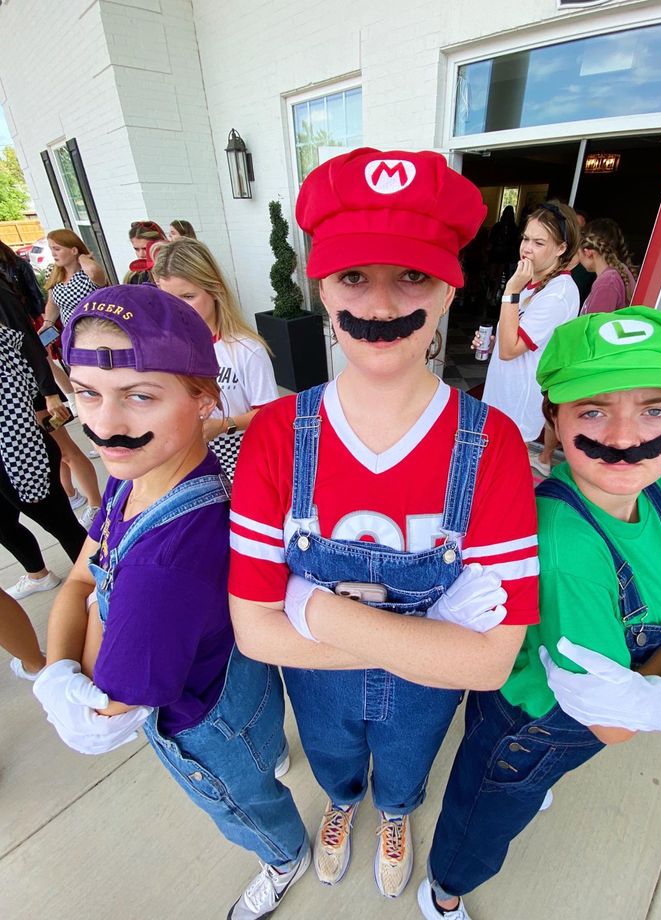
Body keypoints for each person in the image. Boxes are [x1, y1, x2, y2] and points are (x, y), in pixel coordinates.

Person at [228, 148, 540, 900]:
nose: (377, 305)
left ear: (447, 290)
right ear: (320, 286)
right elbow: (252, 633)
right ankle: (340, 805)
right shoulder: (275, 433)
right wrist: (433, 643)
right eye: (353, 276)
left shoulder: (491, 443)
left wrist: (309, 605)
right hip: (328, 688)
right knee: (334, 761)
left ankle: (394, 815)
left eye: (411, 276)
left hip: (409, 697)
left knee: (404, 772)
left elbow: (491, 664)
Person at [419, 306, 661, 920]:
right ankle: (443, 891)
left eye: (656, 408)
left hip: (564, 708)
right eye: (593, 409)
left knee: (516, 781)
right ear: (555, 420)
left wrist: (658, 694)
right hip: (533, 722)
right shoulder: (565, 542)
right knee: (485, 809)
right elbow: (616, 720)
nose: (624, 436)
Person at [33, 284, 310, 920]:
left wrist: (66, 677)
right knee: (260, 746)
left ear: (205, 397)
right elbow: (79, 581)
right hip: (237, 683)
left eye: (140, 395)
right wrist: (56, 670)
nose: (104, 424)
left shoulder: (165, 564)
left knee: (239, 800)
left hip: (200, 723)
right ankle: (269, 756)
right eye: (86, 392)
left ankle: (282, 853)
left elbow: (115, 699)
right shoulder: (141, 476)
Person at [153, 238, 278, 480]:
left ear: (215, 289)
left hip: (240, 459)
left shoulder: (245, 349)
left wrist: (223, 425)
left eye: (188, 296)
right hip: (185, 461)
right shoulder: (164, 349)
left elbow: (269, 415)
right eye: (169, 301)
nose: (179, 310)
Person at [477, 201, 580, 478]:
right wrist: (491, 340)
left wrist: (510, 290)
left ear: (561, 249)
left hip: (519, 398)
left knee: (504, 467)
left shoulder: (557, 293)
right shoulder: (531, 284)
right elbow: (510, 339)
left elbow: (511, 350)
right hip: (503, 390)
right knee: (493, 463)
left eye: (538, 242)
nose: (526, 248)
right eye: (525, 239)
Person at [0, 276, 86, 601]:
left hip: (19, 449)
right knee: (5, 523)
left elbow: (28, 349)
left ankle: (105, 589)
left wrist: (47, 396)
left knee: (61, 522)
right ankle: (37, 573)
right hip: (15, 444)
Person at [38, 229, 106, 522]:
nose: (54, 253)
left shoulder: (86, 272)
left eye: (59, 248)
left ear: (73, 249)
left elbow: (99, 278)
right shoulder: (56, 280)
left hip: (95, 334)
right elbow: (52, 310)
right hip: (70, 339)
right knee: (80, 382)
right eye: (51, 248)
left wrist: (85, 258)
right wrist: (45, 327)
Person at [579, 218, 636, 314]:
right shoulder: (619, 271)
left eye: (578, 251)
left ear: (588, 252)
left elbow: (596, 326)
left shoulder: (607, 282)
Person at [0, 239, 45, 320]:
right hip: (11, 315)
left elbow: (35, 292)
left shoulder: (20, 265)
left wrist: (42, 313)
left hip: (29, 313)